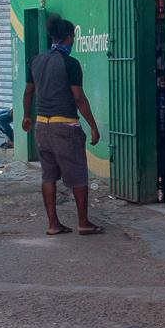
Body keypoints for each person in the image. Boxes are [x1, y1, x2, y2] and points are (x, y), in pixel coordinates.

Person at [24, 15, 103, 236]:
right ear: (69, 38)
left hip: (42, 126)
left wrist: (26, 116)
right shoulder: (71, 64)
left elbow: (28, 91)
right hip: (65, 126)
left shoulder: (36, 60)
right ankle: (84, 222)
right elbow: (79, 98)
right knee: (78, 174)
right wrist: (93, 126)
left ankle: (53, 224)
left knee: (48, 176)